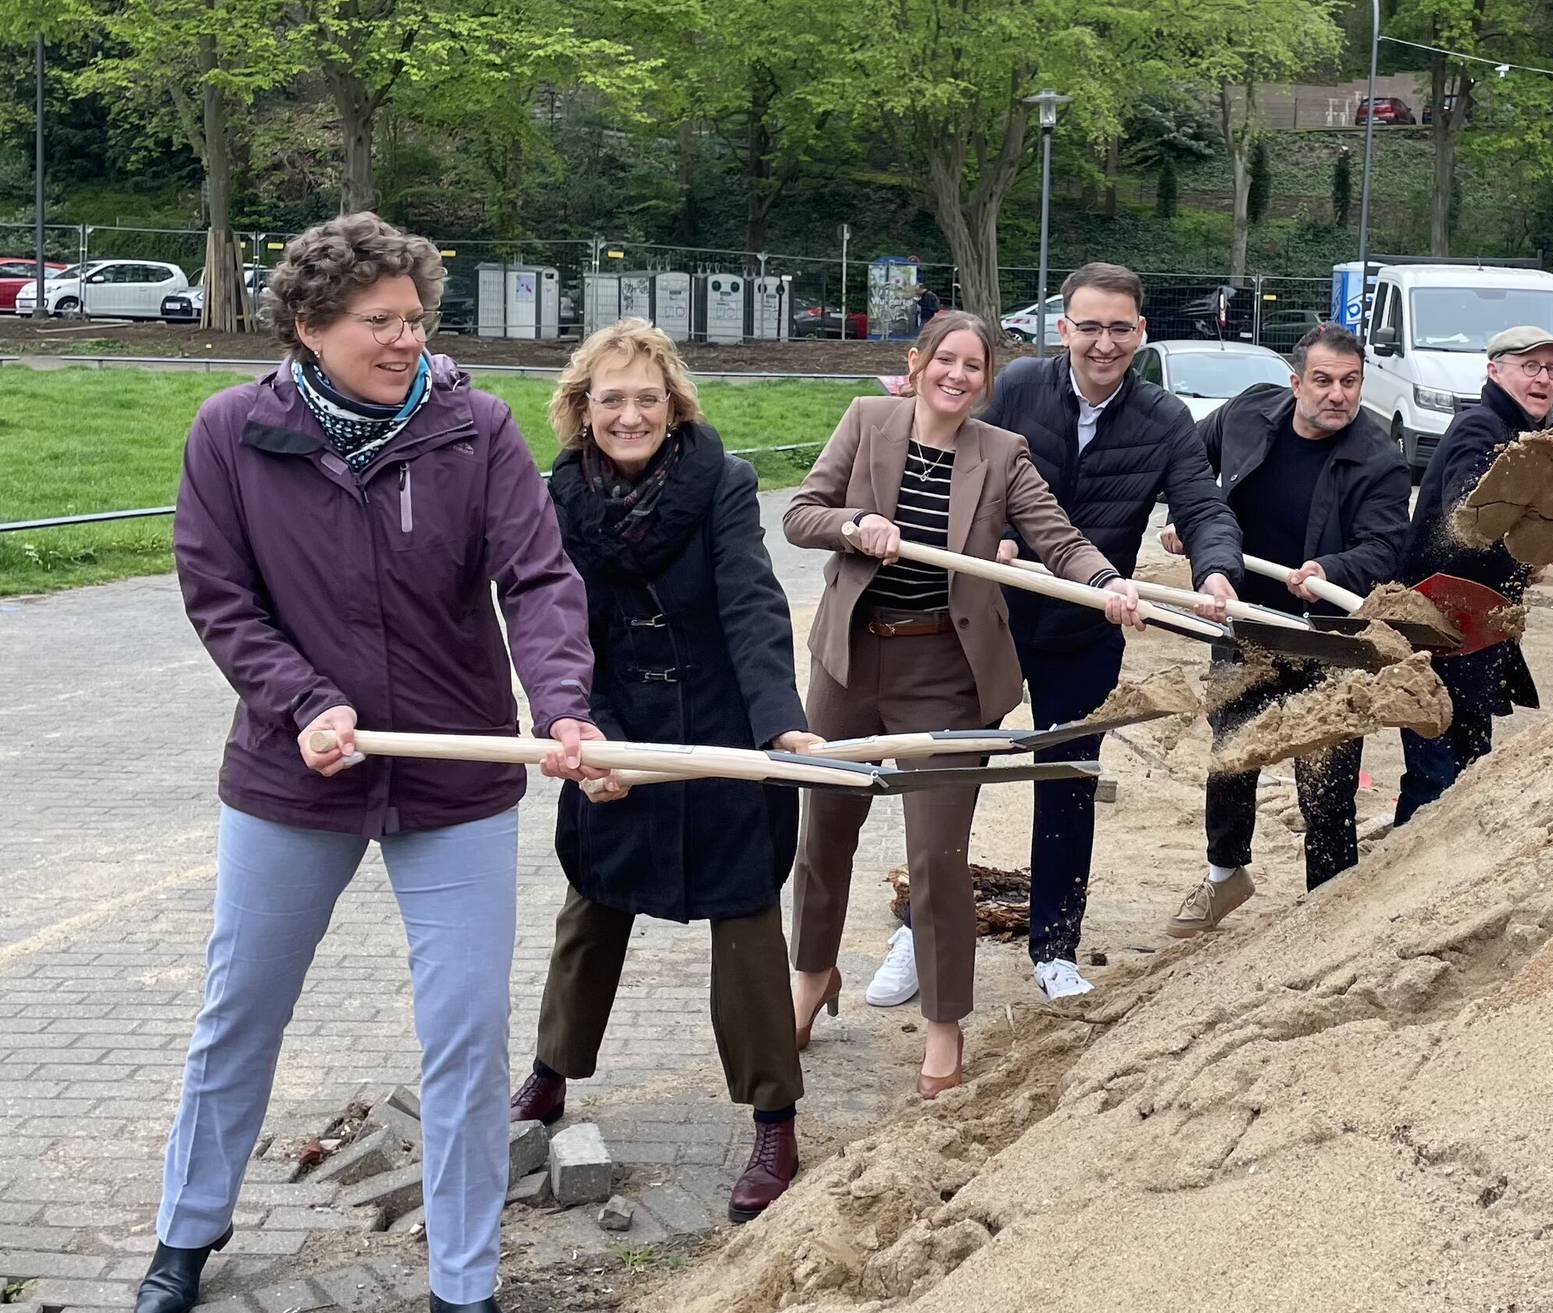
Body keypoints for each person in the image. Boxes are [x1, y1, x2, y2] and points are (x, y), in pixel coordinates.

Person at [145, 213, 601, 1313]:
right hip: (293, 771)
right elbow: (221, 597)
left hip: (455, 776)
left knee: (465, 1027)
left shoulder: (474, 429)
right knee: (242, 1006)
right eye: (377, 322)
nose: (407, 339)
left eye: (416, 317)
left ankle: (463, 1279)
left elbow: (536, 581)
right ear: (308, 326)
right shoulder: (231, 434)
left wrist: (565, 710)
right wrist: (303, 700)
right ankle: (186, 1232)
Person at [781, 312, 1143, 1097]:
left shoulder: (1000, 454)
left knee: (937, 855)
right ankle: (811, 974)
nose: (956, 374)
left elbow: (1057, 535)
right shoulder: (867, 420)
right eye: (943, 358)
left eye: (972, 365)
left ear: (985, 379)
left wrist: (1105, 583)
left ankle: (944, 1025)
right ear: (915, 364)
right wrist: (855, 523)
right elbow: (800, 513)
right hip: (849, 661)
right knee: (824, 832)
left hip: (943, 672)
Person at [503, 320, 818, 1224]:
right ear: (582, 408)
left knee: (746, 918)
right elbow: (551, 623)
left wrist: (781, 729)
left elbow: (754, 605)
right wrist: (581, 732)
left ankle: (774, 1119)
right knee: (594, 902)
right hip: (613, 726)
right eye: (612, 399)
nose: (630, 414)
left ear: (673, 405)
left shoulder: (720, 481)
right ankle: (552, 1072)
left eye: (648, 398)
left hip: (721, 732)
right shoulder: (554, 498)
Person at [962, 261, 1242, 1002]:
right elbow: (960, 464)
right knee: (956, 771)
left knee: (1067, 781)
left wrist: (1216, 571)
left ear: (1141, 333)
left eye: (1120, 328)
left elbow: (1203, 508)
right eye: (1089, 326)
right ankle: (919, 930)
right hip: (993, 611)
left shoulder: (1163, 418)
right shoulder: (1019, 387)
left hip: (1089, 625)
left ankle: (1055, 948)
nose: (1104, 342)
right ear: (1064, 329)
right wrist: (992, 534)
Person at [1159, 324, 1413, 937]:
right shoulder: (1249, 412)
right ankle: (1225, 877)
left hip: (1325, 637)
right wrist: (1184, 520)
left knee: (1325, 779)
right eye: (1323, 381)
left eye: (1350, 383)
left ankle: (1327, 908)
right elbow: (1190, 462)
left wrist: (1332, 569)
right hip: (1244, 619)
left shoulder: (1378, 460)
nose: (1337, 395)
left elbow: (1385, 548)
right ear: (1295, 382)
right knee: (1231, 756)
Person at [1392, 325, 1553, 830]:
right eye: (1530, 367)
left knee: (1471, 766)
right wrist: (1536, 537)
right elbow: (1466, 518)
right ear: (1495, 371)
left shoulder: (1534, 437)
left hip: (1479, 629)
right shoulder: (1480, 428)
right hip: (1438, 626)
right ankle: (1401, 887)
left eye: (1552, 369)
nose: (1543, 379)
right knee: (1435, 775)